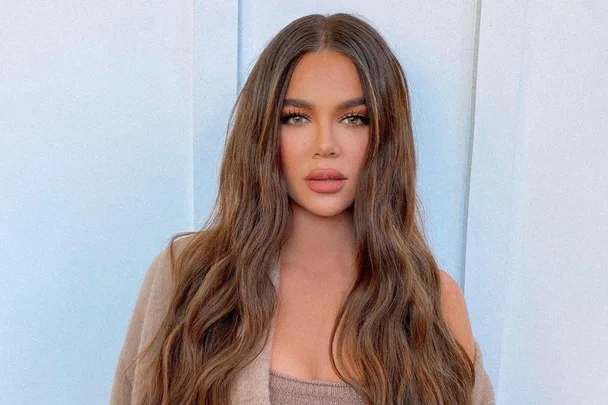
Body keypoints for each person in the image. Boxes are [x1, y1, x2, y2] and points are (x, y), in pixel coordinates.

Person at [109, 12, 495, 405]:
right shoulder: (190, 279)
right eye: (296, 117)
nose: (325, 144)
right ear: (265, 131)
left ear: (385, 134)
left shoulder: (432, 301)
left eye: (353, 118)